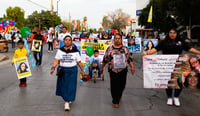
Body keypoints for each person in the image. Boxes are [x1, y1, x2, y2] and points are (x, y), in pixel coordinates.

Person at [142, 28, 200, 107]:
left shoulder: (181, 42)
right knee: (168, 81)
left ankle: (176, 97)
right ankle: (169, 97)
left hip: (179, 64)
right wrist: (147, 53)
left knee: (179, 81)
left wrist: (198, 52)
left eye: (174, 33)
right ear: (168, 33)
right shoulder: (164, 42)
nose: (172, 34)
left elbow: (190, 49)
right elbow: (156, 49)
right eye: (171, 32)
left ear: (177, 34)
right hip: (167, 64)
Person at [50, 35, 84, 111]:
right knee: (63, 86)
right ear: (64, 41)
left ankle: (67, 102)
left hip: (72, 71)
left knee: (71, 87)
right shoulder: (60, 50)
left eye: (69, 40)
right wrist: (53, 68)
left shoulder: (75, 51)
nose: (67, 41)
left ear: (71, 42)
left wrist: (82, 70)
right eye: (66, 40)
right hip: (63, 71)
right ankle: (67, 99)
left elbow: (79, 62)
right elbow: (56, 60)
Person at [100, 33, 134, 108]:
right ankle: (115, 100)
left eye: (119, 38)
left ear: (121, 40)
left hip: (123, 70)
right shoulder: (110, 49)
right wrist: (102, 67)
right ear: (113, 40)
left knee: (122, 84)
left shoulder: (125, 49)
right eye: (116, 38)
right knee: (114, 85)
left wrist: (132, 67)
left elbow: (129, 58)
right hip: (113, 70)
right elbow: (105, 59)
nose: (117, 40)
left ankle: (119, 95)